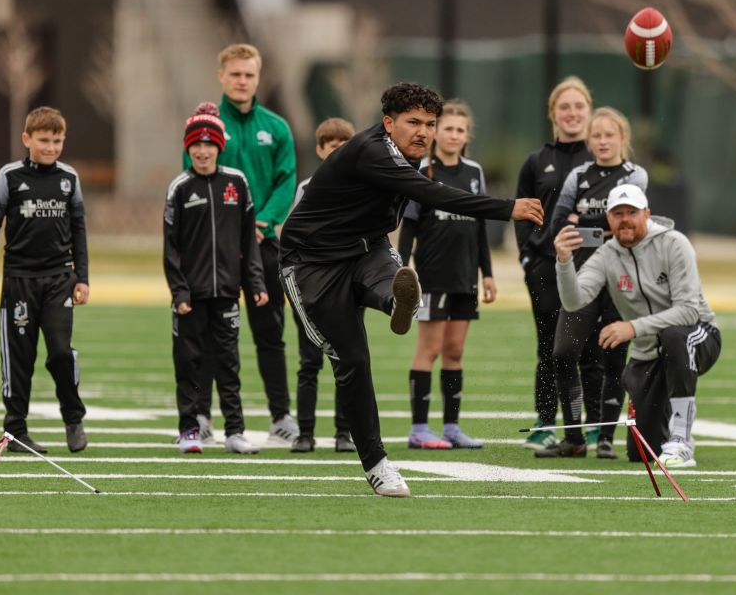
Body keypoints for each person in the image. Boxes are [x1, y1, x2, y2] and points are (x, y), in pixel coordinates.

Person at [280, 82, 544, 497]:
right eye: (413, 122)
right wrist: (506, 208)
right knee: (352, 361)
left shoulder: (408, 157)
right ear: (388, 123)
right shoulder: (374, 151)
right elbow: (432, 195)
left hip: (368, 248)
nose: (424, 132)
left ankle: (396, 302)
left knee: (394, 280)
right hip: (311, 263)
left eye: (430, 124)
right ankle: (377, 464)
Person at [553, 183, 721, 467]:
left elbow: (689, 312)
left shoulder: (674, 243)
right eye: (617, 214)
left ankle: (681, 440)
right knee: (641, 454)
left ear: (647, 214)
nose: (625, 220)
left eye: (632, 212)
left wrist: (632, 327)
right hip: (648, 353)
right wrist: (564, 261)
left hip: (698, 336)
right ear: (608, 219)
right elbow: (574, 301)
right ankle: (664, 423)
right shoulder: (606, 254)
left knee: (674, 336)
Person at [184, 43, 299, 445]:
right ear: (221, 76)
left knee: (270, 332)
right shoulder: (205, 127)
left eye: (249, 74)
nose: (242, 81)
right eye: (235, 74)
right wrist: (230, 228)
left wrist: (263, 220)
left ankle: (281, 417)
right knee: (211, 336)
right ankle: (202, 416)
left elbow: (287, 180)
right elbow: (194, 181)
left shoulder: (277, 127)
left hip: (263, 244)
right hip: (217, 250)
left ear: (258, 77)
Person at [536, 107, 648, 459]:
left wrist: (583, 221)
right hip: (582, 276)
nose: (602, 141)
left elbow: (624, 222)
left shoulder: (635, 175)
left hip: (621, 278)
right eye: (596, 136)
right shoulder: (579, 176)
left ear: (622, 138)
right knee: (564, 353)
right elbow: (557, 225)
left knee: (614, 359)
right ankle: (574, 437)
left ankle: (606, 439)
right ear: (589, 140)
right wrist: (594, 224)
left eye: (609, 135)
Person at [0, 106, 90, 455]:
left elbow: (79, 229)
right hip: (19, 281)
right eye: (44, 140)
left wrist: (82, 277)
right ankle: (16, 432)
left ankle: (73, 418)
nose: (51, 147)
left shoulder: (69, 178)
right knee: (19, 359)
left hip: (59, 279)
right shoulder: (9, 177)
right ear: (27, 139)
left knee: (60, 352)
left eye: (57, 141)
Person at [164, 106, 269, 454]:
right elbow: (172, 249)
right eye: (196, 145)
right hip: (190, 296)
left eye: (210, 145)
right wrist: (179, 291)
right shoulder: (180, 188)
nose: (203, 151)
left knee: (228, 362)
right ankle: (189, 429)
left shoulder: (236, 183)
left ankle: (235, 431)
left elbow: (247, 243)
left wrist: (255, 284)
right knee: (189, 362)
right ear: (187, 148)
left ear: (220, 146)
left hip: (226, 291)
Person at [397, 100, 492, 450]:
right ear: (436, 132)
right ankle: (419, 429)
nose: (453, 135)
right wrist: (402, 266)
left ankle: (451, 426)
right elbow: (408, 224)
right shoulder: (422, 172)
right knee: (430, 349)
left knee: (455, 351)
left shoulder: (474, 172)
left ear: (467, 136)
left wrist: (488, 274)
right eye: (447, 128)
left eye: (459, 130)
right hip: (432, 277)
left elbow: (480, 225)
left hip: (465, 276)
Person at [515, 77, 593, 450]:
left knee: (593, 347)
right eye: (565, 106)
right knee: (548, 347)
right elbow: (521, 213)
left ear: (589, 113)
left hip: (593, 267)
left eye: (579, 106)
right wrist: (527, 257)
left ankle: (595, 423)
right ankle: (545, 421)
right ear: (553, 114)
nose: (573, 113)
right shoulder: (537, 162)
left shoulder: (602, 159)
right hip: (546, 267)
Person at [287, 117, 357, 454]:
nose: (338, 154)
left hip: (346, 288)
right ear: (320, 150)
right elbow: (294, 236)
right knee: (309, 362)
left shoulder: (363, 187)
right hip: (312, 288)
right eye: (332, 149)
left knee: (347, 361)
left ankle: (345, 432)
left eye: (345, 148)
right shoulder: (306, 189)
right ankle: (305, 433)